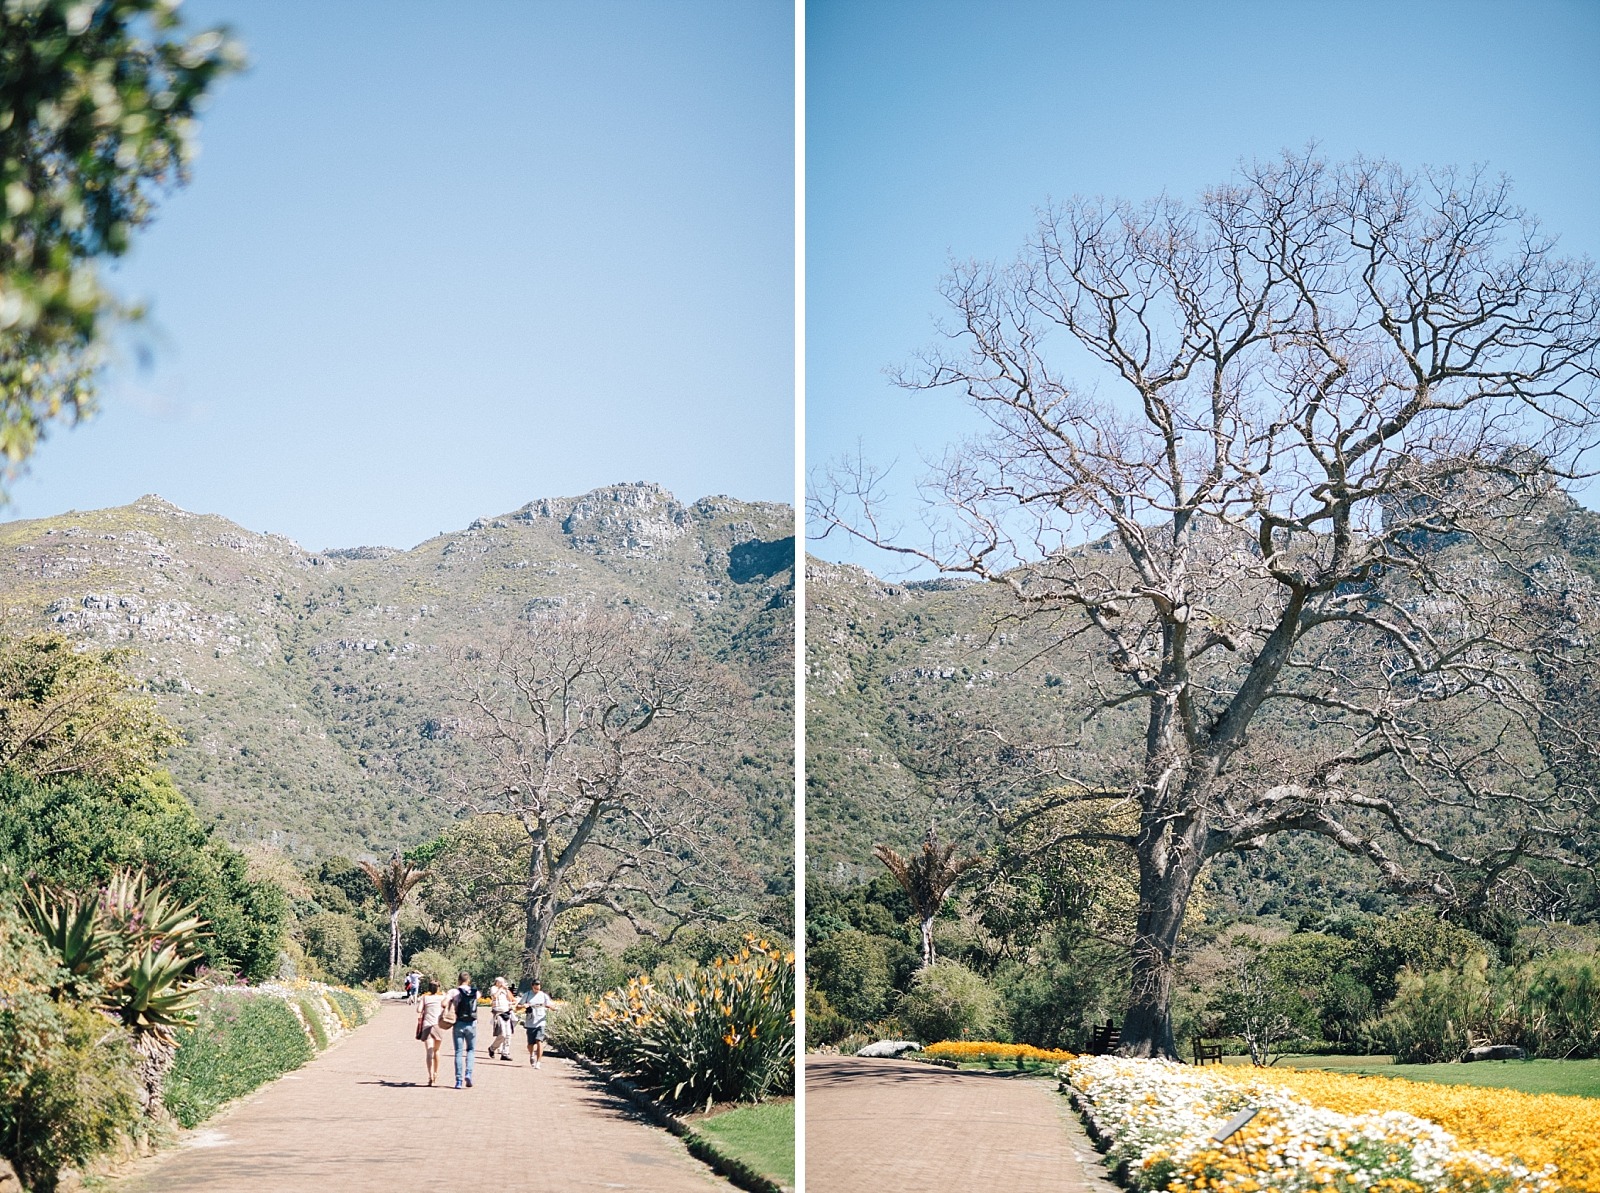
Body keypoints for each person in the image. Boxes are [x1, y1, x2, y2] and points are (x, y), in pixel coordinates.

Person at [451, 971, 480, 1088]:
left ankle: (458, 1080)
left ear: (458, 980)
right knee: (471, 1050)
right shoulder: (475, 992)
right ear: (469, 980)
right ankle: (468, 1073)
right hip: (472, 1023)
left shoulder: (454, 992)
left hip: (459, 1023)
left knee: (458, 1051)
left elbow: (444, 1003)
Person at [415, 978, 445, 1086]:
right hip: (438, 1025)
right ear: (438, 988)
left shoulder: (425, 998)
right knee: (436, 1050)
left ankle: (430, 1075)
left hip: (427, 1025)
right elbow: (447, 1006)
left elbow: (418, 1010)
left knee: (429, 1051)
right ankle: (436, 1073)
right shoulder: (442, 998)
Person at [519, 979, 554, 1069]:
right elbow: (518, 1006)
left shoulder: (544, 996)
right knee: (530, 1044)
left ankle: (539, 1062)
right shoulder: (527, 995)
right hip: (530, 1022)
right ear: (532, 986)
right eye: (535, 986)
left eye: (538, 986)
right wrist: (524, 1006)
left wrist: (550, 1007)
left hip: (540, 1022)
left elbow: (552, 1006)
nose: (537, 988)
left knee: (539, 1041)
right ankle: (531, 1055)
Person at [487, 977, 515, 1060]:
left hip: (507, 1013)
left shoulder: (505, 990)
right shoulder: (494, 988)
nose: (503, 983)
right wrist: (501, 989)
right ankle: (492, 1048)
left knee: (508, 1034)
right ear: (497, 983)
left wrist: (506, 990)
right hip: (498, 1013)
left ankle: (505, 1053)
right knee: (502, 1034)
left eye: (504, 982)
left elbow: (511, 999)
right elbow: (494, 996)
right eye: (501, 982)